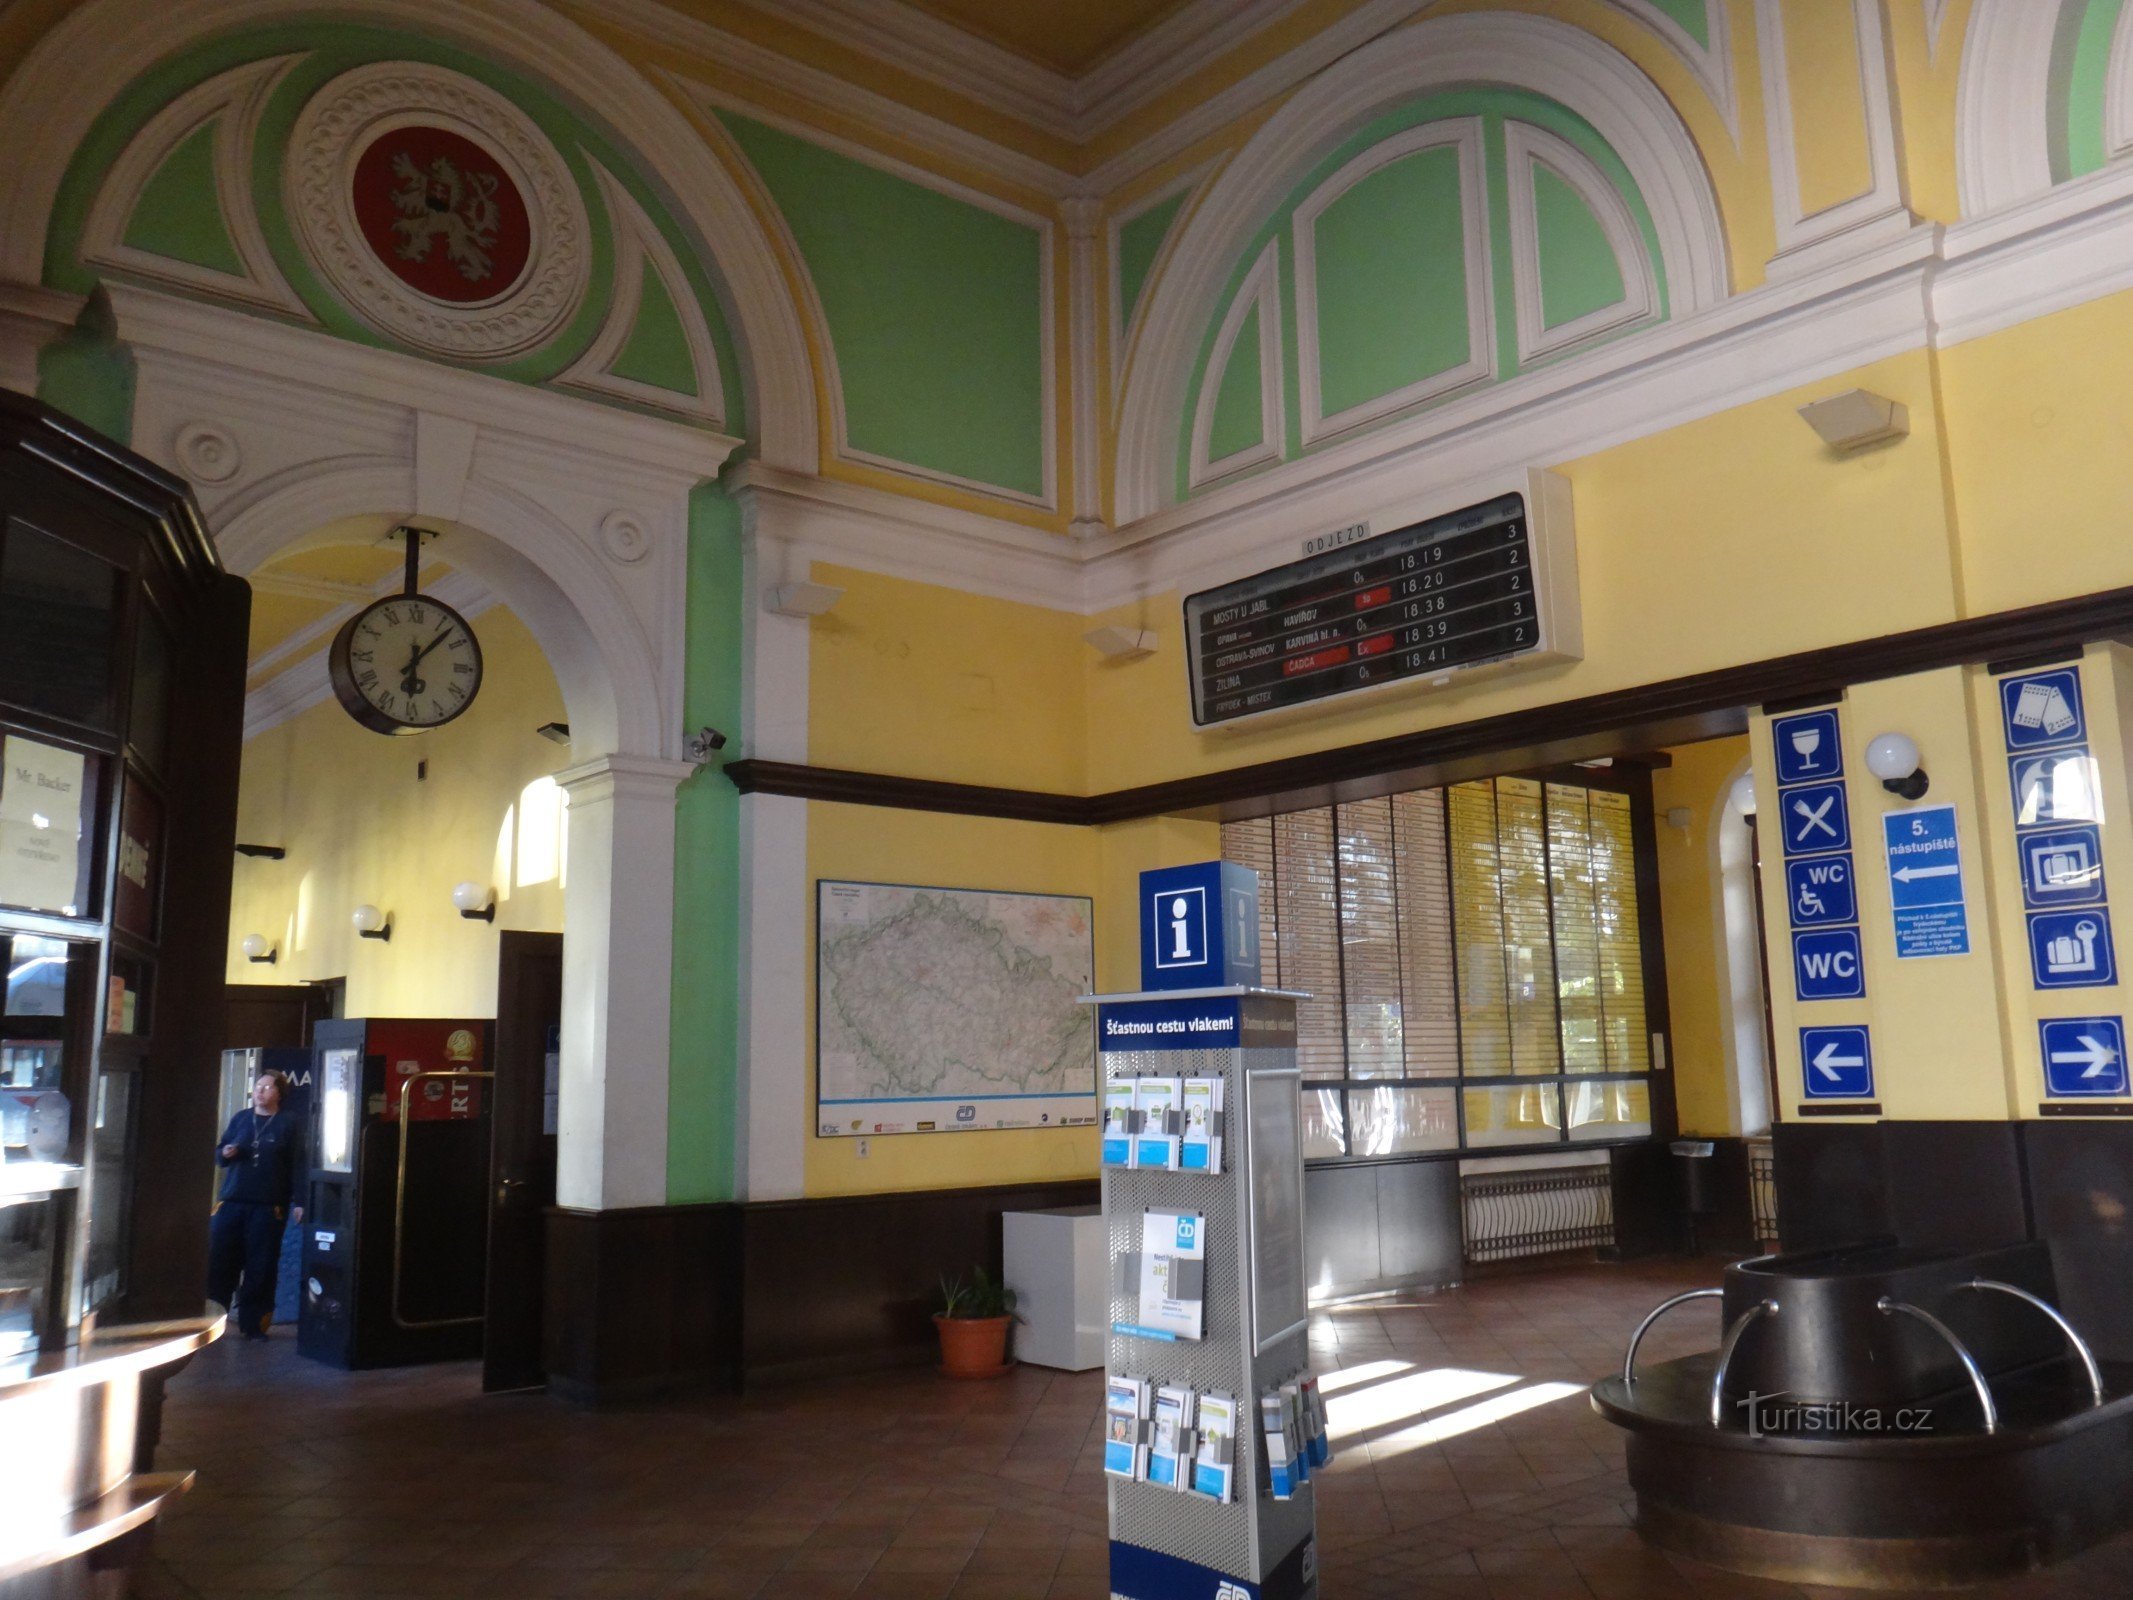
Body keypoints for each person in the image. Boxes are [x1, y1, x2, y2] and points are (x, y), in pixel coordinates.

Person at [207, 1068, 305, 1340]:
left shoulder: (289, 1123)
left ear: (279, 1093)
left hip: (268, 1206)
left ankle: (253, 1324)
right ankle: (213, 1321)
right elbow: (220, 1153)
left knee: (261, 1265)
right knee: (220, 1262)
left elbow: (298, 1163)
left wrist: (299, 1201)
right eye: (257, 1086)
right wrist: (225, 1153)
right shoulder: (240, 1118)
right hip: (232, 1202)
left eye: (267, 1087)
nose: (260, 1092)